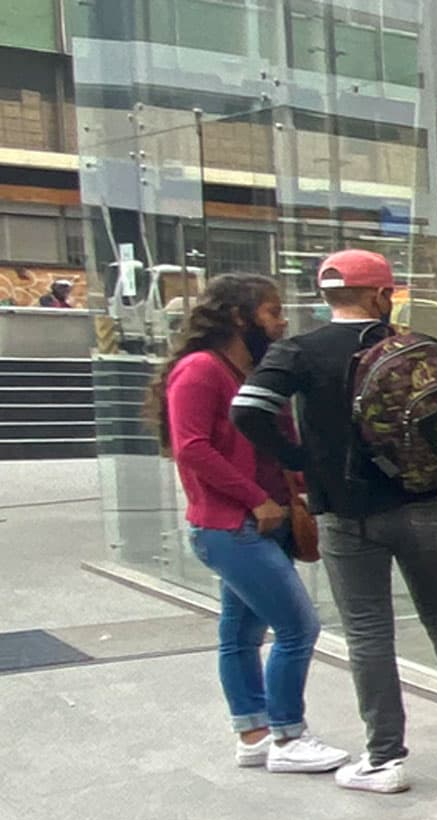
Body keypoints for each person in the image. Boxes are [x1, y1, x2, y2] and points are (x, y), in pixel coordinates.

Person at [231, 249, 437, 795]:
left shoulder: (299, 351)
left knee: (369, 632)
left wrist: (299, 460)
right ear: (383, 295)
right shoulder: (416, 347)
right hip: (423, 501)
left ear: (326, 298)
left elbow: (247, 408)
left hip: (344, 512)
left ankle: (384, 757)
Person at [154, 272, 349, 776]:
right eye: (272, 311)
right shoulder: (200, 370)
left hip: (261, 521)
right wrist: (257, 499)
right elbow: (191, 446)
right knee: (298, 626)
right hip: (231, 525)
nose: (282, 322)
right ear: (240, 316)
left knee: (241, 632)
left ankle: (254, 732)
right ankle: (288, 734)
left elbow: (274, 441)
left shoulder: (250, 372)